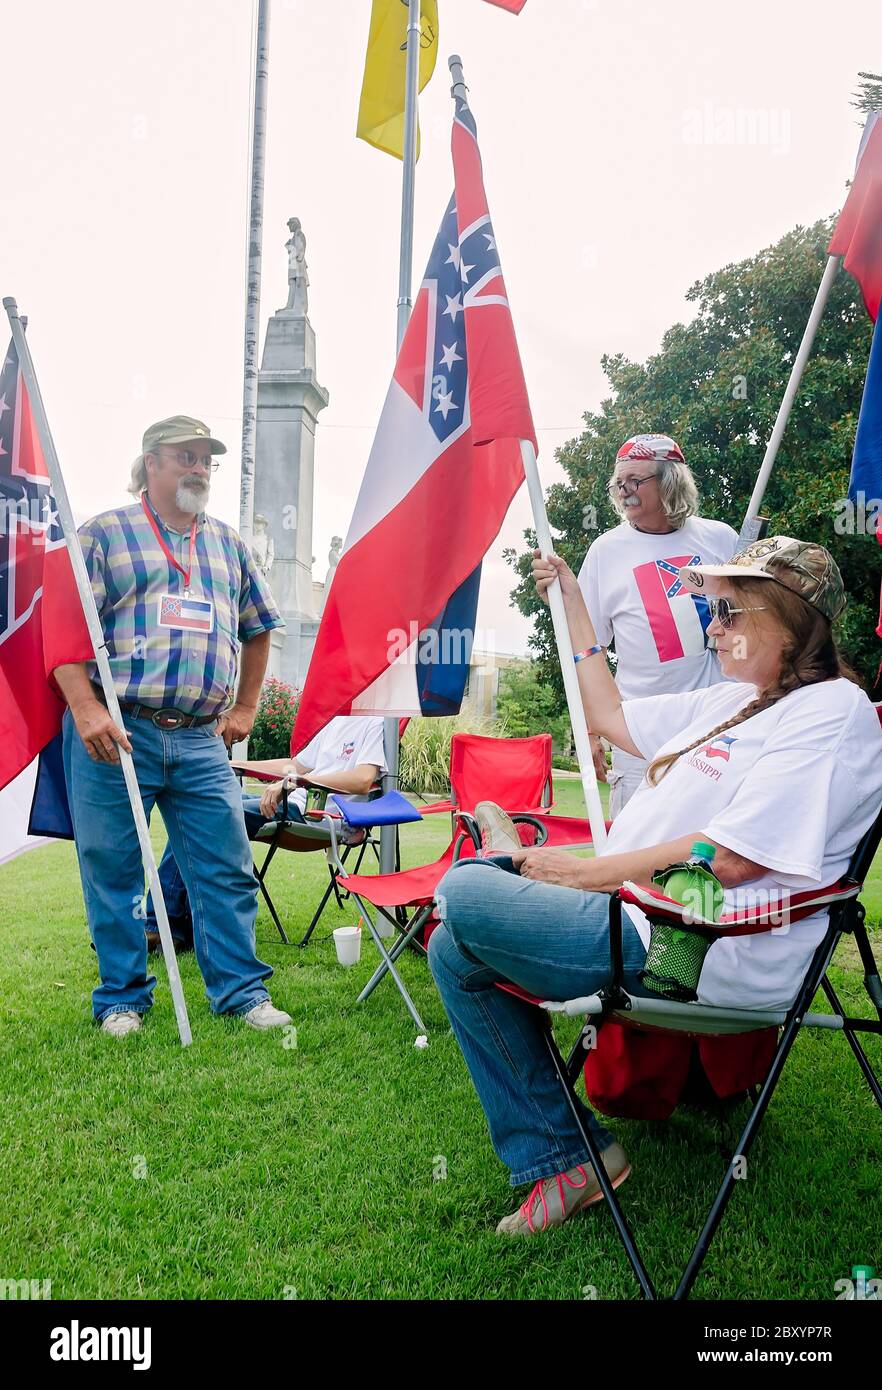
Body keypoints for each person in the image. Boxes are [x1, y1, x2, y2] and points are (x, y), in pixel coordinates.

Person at [428, 535, 882, 1236]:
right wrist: (574, 604)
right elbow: (608, 714)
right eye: (714, 610)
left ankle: (504, 859)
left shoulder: (832, 710)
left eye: (730, 609)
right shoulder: (733, 701)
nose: (714, 626)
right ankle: (567, 1159)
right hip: (633, 913)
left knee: (461, 896)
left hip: (691, 945)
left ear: (792, 619)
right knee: (452, 951)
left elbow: (730, 860)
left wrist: (578, 872)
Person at [53, 414, 291, 1037]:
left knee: (226, 865)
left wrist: (244, 709)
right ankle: (122, 1000)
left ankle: (242, 994)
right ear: (151, 462)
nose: (199, 468)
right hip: (118, 732)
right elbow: (62, 629)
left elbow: (260, 626)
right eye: (185, 456)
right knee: (114, 868)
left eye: (206, 459)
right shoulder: (104, 534)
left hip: (200, 736)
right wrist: (85, 708)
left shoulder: (229, 545)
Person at [578, 434, 738, 815]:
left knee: (712, 853)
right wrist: (589, 730)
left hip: (721, 729)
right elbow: (586, 648)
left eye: (635, 481)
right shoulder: (605, 551)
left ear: (670, 482)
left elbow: (753, 624)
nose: (623, 491)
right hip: (640, 738)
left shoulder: (721, 538)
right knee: (635, 853)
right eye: (618, 483)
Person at [144, 715, 387, 950]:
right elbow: (294, 765)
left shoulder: (375, 722)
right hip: (292, 804)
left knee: (205, 813)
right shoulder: (337, 721)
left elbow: (363, 779)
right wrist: (236, 765)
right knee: (198, 807)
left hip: (317, 816)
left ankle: (162, 926)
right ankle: (173, 924)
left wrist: (294, 782)